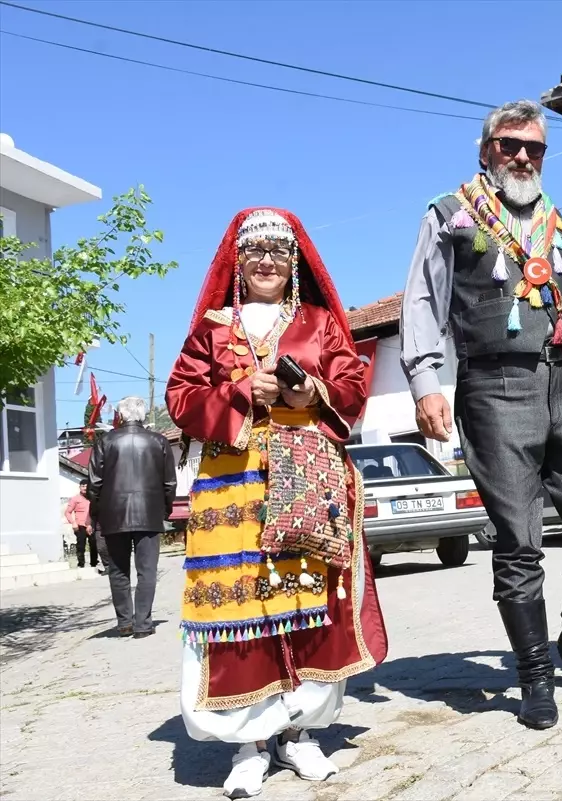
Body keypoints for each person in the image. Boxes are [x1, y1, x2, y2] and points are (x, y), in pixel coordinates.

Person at [401, 99, 562, 731]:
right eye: (510, 145)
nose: (524, 156)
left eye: (534, 146)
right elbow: (423, 299)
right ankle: (534, 675)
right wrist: (426, 381)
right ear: (487, 152)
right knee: (518, 539)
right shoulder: (449, 215)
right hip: (496, 384)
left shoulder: (557, 222)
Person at [166, 208, 388, 799]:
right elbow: (181, 397)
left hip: (307, 480)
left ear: (294, 265)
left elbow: (352, 386)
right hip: (233, 485)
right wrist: (239, 392)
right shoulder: (212, 329)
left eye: (279, 253)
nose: (267, 261)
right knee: (241, 607)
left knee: (309, 600)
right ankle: (247, 742)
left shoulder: (319, 323)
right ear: (237, 263)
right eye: (256, 252)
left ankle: (301, 733)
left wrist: (310, 389)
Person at [88, 396, 174, 638]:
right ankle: (143, 624)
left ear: (121, 415)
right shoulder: (159, 441)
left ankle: (124, 623)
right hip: (150, 513)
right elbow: (169, 482)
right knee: (147, 570)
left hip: (113, 515)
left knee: (118, 571)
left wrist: (98, 511)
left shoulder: (105, 441)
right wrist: (165, 510)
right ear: (143, 415)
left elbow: (94, 483)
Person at [64, 479, 101, 572]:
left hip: (91, 525)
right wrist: (73, 523)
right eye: (83, 486)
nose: (85, 488)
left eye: (86, 486)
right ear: (79, 487)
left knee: (94, 545)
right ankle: (81, 564)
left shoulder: (93, 498)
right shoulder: (75, 499)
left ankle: (94, 564)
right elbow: (67, 512)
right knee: (81, 545)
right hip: (80, 525)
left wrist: (92, 524)